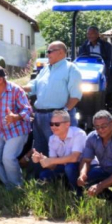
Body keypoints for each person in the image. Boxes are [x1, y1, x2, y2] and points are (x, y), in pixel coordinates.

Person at [24, 41, 82, 173]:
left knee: (60, 150)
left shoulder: (71, 69)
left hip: (57, 118)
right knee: (39, 148)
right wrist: (17, 87)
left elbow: (76, 96)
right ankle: (40, 177)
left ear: (61, 52)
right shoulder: (45, 69)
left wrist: (63, 114)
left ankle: (60, 181)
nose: (47, 54)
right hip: (39, 116)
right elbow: (34, 87)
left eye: (50, 51)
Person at [30, 109, 86, 191]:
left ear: (67, 124)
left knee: (69, 168)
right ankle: (64, 188)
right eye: (51, 124)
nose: (53, 127)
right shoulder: (52, 139)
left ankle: (78, 193)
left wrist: (51, 160)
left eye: (57, 124)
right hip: (65, 166)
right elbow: (53, 166)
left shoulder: (78, 134)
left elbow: (74, 158)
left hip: (83, 167)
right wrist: (42, 159)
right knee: (44, 175)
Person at [79, 26, 112, 104]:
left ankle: (107, 98)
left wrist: (106, 66)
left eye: (92, 34)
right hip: (88, 68)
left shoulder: (106, 46)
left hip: (102, 68)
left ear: (98, 34)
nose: (90, 36)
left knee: (108, 74)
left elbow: (110, 59)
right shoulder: (84, 46)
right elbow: (80, 58)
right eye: (88, 34)